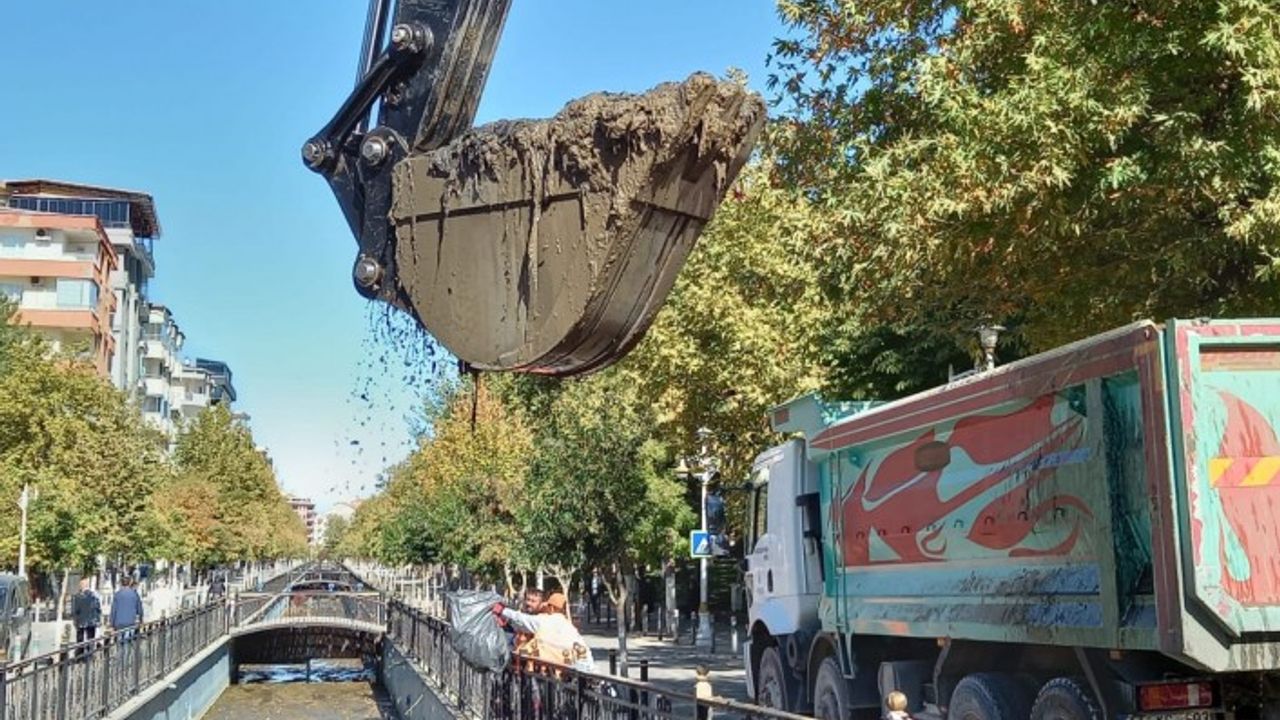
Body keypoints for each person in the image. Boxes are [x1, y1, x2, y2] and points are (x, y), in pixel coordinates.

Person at [493, 591, 595, 673]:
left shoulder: (544, 620)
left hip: (546, 666)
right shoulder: (568, 625)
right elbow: (582, 647)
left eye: (533, 601)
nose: (529, 603)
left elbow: (522, 619)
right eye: (528, 600)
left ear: (550, 607)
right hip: (564, 665)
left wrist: (502, 611)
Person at [71, 578, 101, 644]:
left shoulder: (77, 596)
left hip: (81, 622)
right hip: (92, 621)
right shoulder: (94, 596)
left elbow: (75, 610)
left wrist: (75, 621)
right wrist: (98, 620)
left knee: (80, 641)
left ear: (81, 585)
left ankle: (80, 653)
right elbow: (98, 609)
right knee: (90, 640)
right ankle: (89, 653)